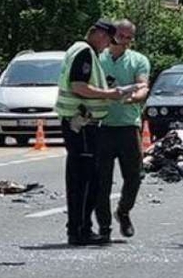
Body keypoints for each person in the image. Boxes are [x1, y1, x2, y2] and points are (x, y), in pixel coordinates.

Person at [55, 20, 125, 246]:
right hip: (82, 123)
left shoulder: (78, 49)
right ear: (99, 34)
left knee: (85, 178)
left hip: (78, 122)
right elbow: (79, 86)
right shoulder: (85, 52)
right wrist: (109, 94)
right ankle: (79, 230)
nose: (106, 46)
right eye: (107, 40)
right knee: (84, 180)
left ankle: (80, 227)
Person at [96, 20, 151, 241]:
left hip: (128, 127)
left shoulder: (138, 60)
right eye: (121, 35)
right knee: (102, 180)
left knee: (134, 176)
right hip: (104, 126)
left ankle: (123, 211)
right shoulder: (99, 58)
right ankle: (104, 227)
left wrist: (134, 99)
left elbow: (142, 86)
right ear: (112, 34)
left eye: (129, 37)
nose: (125, 41)